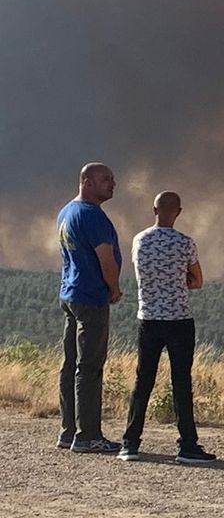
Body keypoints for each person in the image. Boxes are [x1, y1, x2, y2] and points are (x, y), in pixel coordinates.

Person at [119, 191, 216, 463]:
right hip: (179, 320)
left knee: (143, 380)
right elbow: (197, 280)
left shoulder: (139, 240)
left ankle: (130, 443)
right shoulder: (185, 243)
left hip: (148, 318)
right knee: (181, 381)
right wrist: (181, 279)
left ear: (154, 209)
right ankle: (187, 445)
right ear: (179, 212)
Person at [57, 162, 122, 453]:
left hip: (70, 294)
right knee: (90, 367)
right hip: (91, 297)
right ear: (86, 181)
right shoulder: (93, 216)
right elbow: (105, 259)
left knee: (70, 364)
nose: (112, 183)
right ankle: (87, 436)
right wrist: (114, 287)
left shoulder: (67, 211)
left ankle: (68, 432)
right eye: (105, 179)